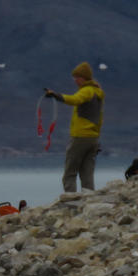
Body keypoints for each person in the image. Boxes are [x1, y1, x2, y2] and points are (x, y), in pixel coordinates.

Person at [45, 62, 105, 192]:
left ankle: (70, 200)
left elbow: (74, 100)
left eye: (76, 77)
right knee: (86, 171)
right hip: (93, 138)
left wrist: (56, 95)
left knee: (70, 172)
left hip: (80, 136)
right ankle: (89, 199)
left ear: (83, 77)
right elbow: (100, 117)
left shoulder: (87, 91)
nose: (75, 80)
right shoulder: (97, 92)